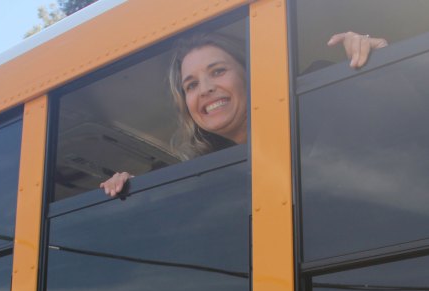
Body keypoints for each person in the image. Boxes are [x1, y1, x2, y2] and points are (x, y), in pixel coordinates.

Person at [100, 31, 387, 197]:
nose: (206, 89)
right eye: (191, 85)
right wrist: (130, 189)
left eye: (218, 71)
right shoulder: (203, 177)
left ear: (249, 74)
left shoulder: (317, 100)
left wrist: (379, 63)